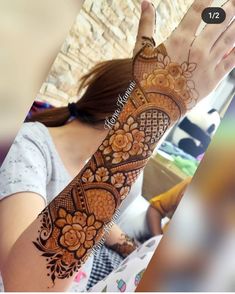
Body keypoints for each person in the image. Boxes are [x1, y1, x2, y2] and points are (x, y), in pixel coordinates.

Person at [0, 0, 234, 292]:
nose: (155, 136)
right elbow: (24, 287)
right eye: (162, 124)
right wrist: (156, 109)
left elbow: (103, 224)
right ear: (120, 113)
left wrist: (132, 247)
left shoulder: (113, 172)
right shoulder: (30, 147)